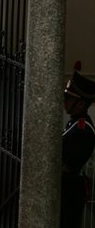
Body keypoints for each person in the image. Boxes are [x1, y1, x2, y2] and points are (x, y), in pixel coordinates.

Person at [61, 62, 95, 228]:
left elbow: (69, 165)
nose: (64, 101)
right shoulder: (74, 124)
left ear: (81, 104)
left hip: (70, 192)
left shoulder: (82, 129)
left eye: (69, 98)